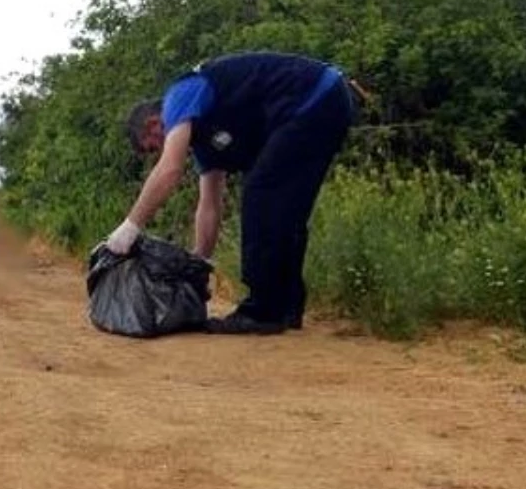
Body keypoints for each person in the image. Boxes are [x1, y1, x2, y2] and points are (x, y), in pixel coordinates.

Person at [105, 51, 362, 335]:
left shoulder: (179, 95)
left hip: (311, 98)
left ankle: (262, 312)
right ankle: (286, 307)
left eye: (153, 146)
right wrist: (199, 262)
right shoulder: (203, 141)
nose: (158, 153)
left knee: (261, 193)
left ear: (154, 124)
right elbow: (209, 203)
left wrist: (130, 226)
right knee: (286, 211)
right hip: (326, 101)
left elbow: (170, 170)